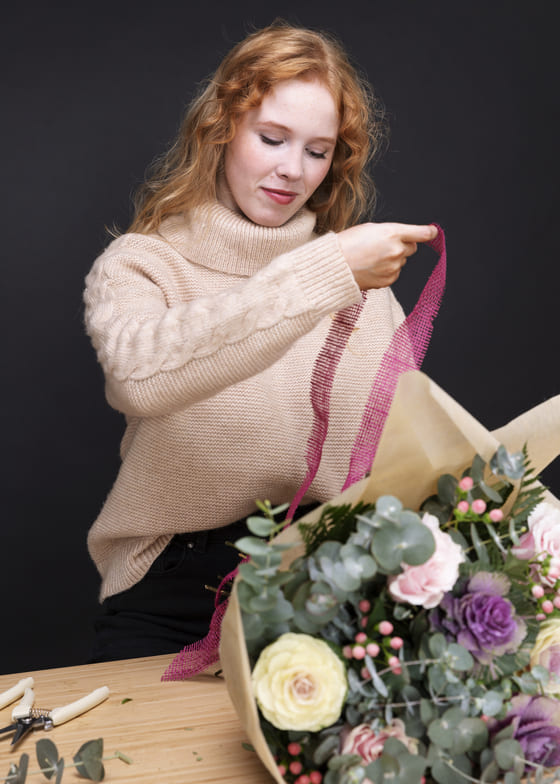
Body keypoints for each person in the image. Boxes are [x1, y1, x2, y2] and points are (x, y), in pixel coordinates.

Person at [84, 21, 437, 663]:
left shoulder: (365, 285)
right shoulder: (142, 264)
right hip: (174, 593)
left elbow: (404, 458)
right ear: (220, 129)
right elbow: (140, 375)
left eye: (316, 150)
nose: (290, 170)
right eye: (271, 138)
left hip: (329, 591)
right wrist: (325, 273)